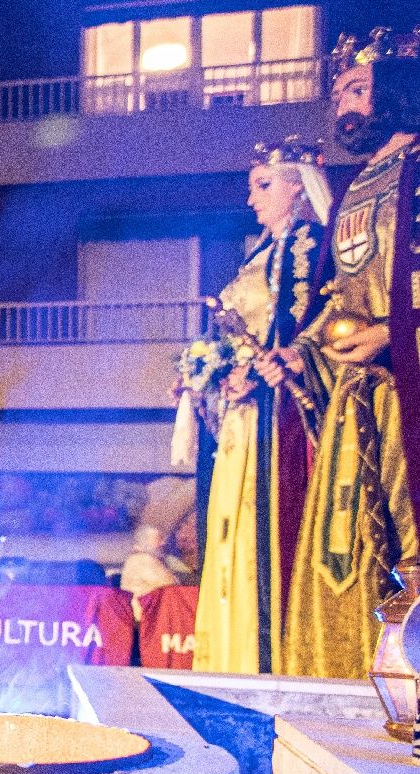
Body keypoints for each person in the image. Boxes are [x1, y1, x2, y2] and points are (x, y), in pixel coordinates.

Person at [256, 31, 420, 678]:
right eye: (339, 96)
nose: (344, 107)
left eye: (358, 89)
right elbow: (334, 299)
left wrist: (392, 334)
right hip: (356, 399)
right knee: (343, 547)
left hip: (409, 388)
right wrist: (317, 350)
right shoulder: (354, 187)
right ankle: (358, 673)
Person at [179, 139, 331, 674]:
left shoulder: (311, 245)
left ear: (298, 187)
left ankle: (266, 658)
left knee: (263, 528)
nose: (252, 200)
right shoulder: (259, 254)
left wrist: (262, 367)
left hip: (276, 412)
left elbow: (309, 321)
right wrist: (209, 371)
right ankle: (231, 656)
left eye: (263, 186)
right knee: (229, 529)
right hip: (244, 417)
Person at [119, 525, 182, 619]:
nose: (163, 543)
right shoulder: (143, 560)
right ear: (146, 542)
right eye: (158, 539)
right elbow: (169, 585)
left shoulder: (137, 558)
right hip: (147, 620)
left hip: (145, 617)